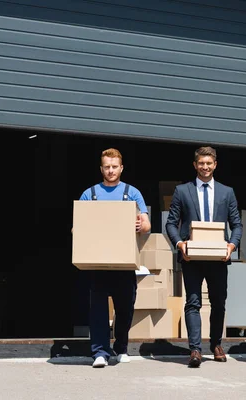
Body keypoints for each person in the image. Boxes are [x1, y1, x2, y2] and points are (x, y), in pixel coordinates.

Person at [166, 146, 243, 368]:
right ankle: (195, 349)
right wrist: (180, 245)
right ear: (195, 165)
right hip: (192, 258)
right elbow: (171, 223)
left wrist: (232, 245)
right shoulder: (182, 191)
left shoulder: (226, 192)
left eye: (209, 163)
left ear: (215, 164)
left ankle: (216, 344)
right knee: (193, 303)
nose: (205, 167)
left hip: (219, 258)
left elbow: (236, 224)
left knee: (219, 303)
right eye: (201, 163)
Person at [77, 148, 151, 368]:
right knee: (98, 309)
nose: (110, 170)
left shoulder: (133, 193)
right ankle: (100, 352)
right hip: (98, 263)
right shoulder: (89, 194)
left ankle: (120, 347)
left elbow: (146, 224)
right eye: (107, 167)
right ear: (101, 168)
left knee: (125, 307)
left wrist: (141, 224)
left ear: (121, 168)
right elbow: (77, 227)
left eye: (114, 167)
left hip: (124, 263)